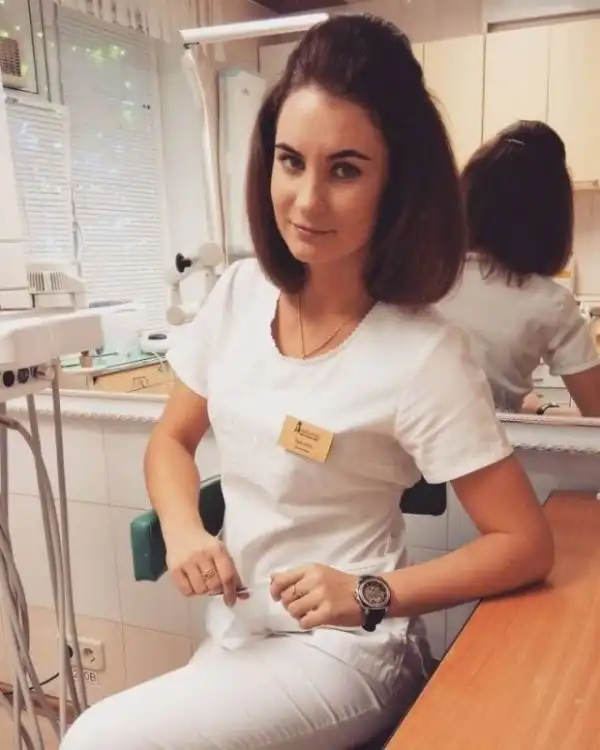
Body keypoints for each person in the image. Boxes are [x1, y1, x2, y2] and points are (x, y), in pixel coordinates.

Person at [60, 15, 554, 750]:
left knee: (96, 741)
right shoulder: (237, 294)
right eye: (291, 162)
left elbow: (524, 544)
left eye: (345, 170)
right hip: (238, 634)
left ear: (397, 185)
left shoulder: (424, 354)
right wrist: (185, 528)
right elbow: (171, 439)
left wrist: (369, 592)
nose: (307, 200)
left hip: (346, 651)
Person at [436, 120, 600, 417]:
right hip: (487, 443)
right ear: (551, 221)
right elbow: (596, 413)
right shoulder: (551, 303)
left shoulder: (422, 276)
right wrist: (542, 407)